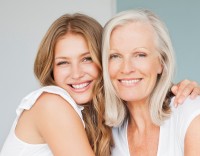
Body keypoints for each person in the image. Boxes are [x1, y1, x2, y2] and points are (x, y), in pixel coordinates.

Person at [0, 12, 199, 156]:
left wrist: (177, 91)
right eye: (63, 62)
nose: (76, 74)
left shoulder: (108, 126)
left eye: (87, 59)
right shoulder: (51, 104)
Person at [102, 9, 200, 155]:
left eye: (140, 55)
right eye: (115, 56)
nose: (126, 68)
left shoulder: (189, 112)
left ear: (161, 63)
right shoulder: (108, 135)